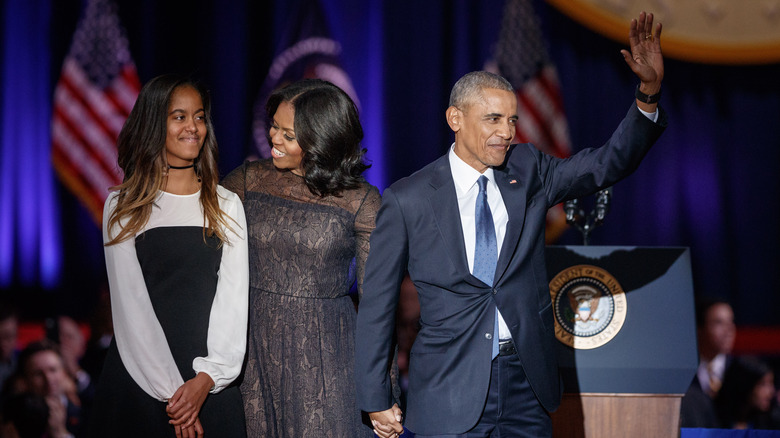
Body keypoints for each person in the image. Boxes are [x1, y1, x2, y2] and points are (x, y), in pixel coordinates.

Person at [356, 11, 666, 438]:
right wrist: (376, 397)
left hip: (526, 384)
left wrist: (647, 95)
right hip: (448, 387)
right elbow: (377, 303)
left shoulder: (529, 169)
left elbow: (603, 165)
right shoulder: (407, 198)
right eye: (493, 119)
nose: (507, 132)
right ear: (455, 119)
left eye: (512, 119)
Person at [222, 78, 383, 437]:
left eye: (288, 135)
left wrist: (381, 394)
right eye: (274, 127)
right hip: (252, 352)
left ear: (322, 141)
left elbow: (378, 306)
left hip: (325, 358)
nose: (274, 140)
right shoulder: (248, 180)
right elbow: (197, 239)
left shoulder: (361, 201)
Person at [89, 74, 249, 438]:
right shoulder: (123, 204)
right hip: (139, 382)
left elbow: (234, 303)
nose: (193, 127)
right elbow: (131, 308)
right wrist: (176, 397)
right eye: (179, 116)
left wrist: (206, 381)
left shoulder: (226, 204)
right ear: (153, 123)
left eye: (199, 116)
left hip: (212, 387)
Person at [680, 298, 736, 427]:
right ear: (699, 329)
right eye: (719, 323)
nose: (729, 330)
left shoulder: (742, 371)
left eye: (731, 322)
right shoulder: (684, 374)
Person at [715, 356, 779, 430]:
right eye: (763, 384)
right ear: (745, 385)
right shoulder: (715, 419)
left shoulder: (773, 423)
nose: (771, 391)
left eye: (771, 383)